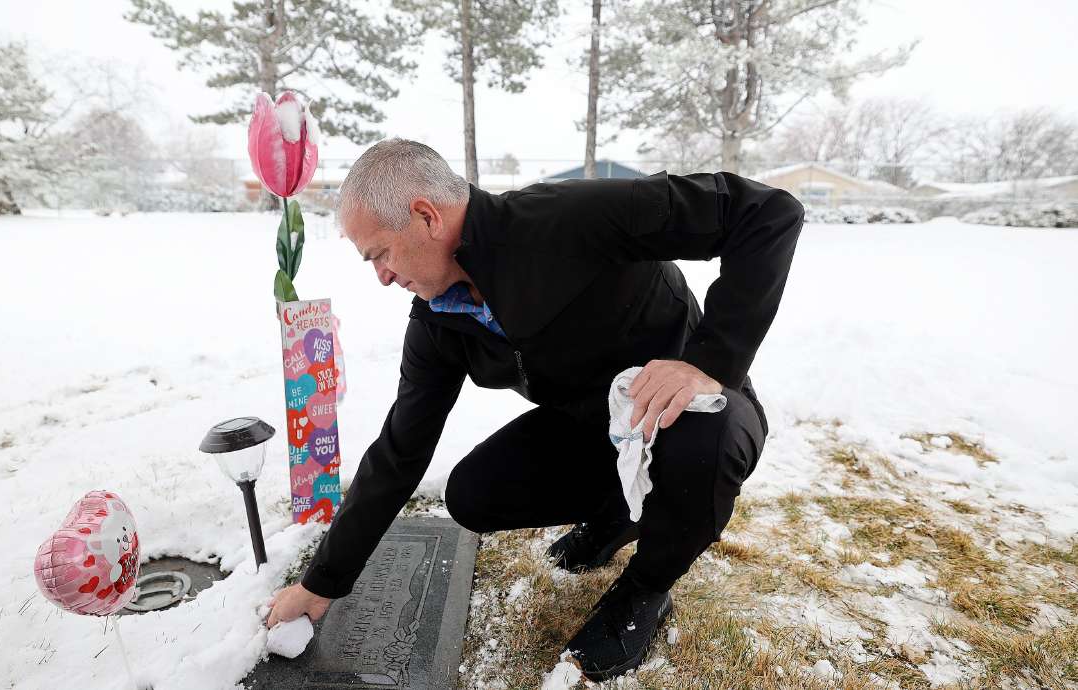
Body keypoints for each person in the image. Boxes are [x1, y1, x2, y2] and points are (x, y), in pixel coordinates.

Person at [265, 138, 804, 681]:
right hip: (595, 430)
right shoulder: (438, 320)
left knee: (701, 438)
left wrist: (709, 360)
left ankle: (644, 591)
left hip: (692, 414)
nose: (381, 275)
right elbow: (401, 450)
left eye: (379, 253)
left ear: (426, 216)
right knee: (473, 494)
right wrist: (321, 583)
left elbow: (766, 212)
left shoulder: (570, 219)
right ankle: (620, 515)